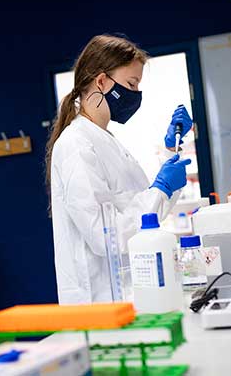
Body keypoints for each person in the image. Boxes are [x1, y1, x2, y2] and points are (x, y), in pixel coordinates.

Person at [46, 34, 193, 304]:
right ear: (101, 81)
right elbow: (106, 237)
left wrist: (171, 155)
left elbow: (142, 214)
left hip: (125, 293)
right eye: (131, 83)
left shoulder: (104, 140)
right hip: (100, 302)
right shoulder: (77, 145)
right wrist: (161, 188)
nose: (136, 95)